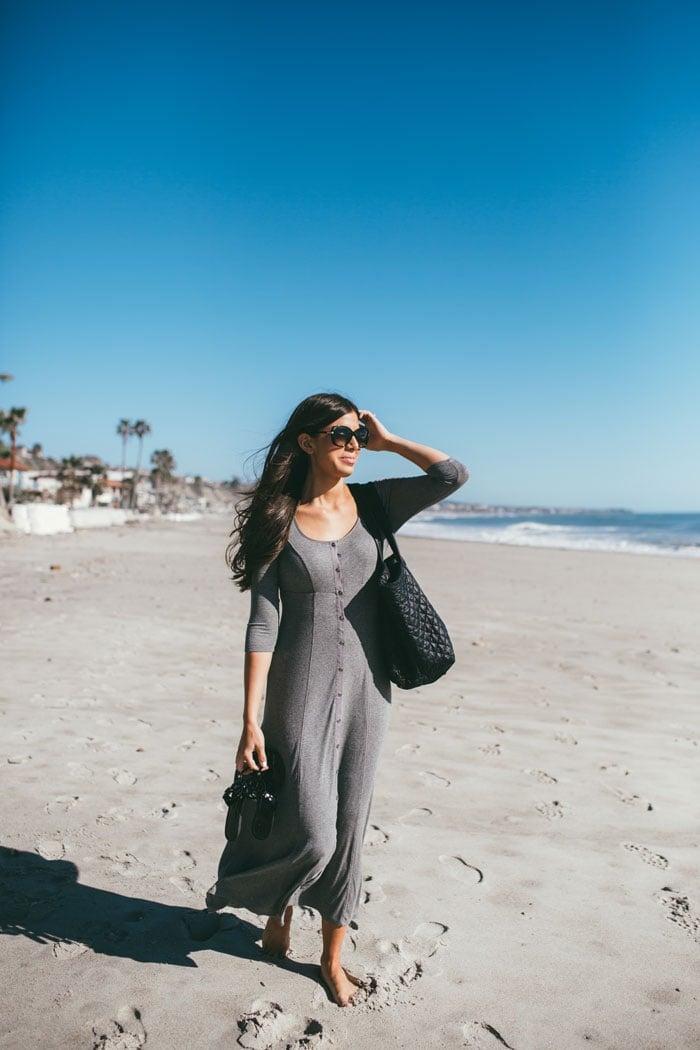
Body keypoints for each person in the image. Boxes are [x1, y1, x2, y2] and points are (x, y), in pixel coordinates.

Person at [206, 392, 468, 1006]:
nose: (351, 444)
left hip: (370, 694)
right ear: (306, 442)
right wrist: (249, 720)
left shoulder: (377, 504)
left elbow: (452, 474)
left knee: (350, 826)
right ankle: (268, 898)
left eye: (356, 434)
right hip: (298, 690)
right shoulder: (278, 516)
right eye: (339, 434)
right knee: (312, 829)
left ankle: (329, 957)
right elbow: (262, 623)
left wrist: (390, 439)